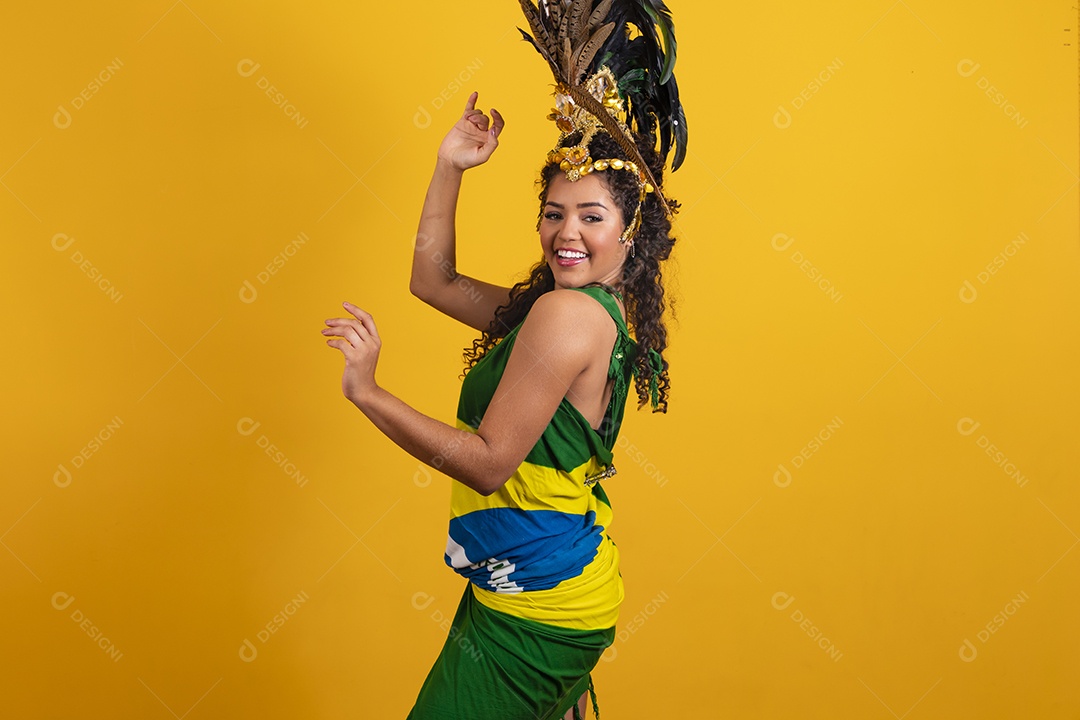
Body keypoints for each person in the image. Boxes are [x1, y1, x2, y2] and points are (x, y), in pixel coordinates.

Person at [321, 2, 686, 717]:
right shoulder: (579, 309)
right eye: (554, 212)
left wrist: (369, 392)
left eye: (591, 216)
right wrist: (450, 166)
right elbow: (436, 282)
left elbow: (489, 463)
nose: (566, 233)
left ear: (630, 231)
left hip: (537, 610)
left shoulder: (565, 316)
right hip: (533, 586)